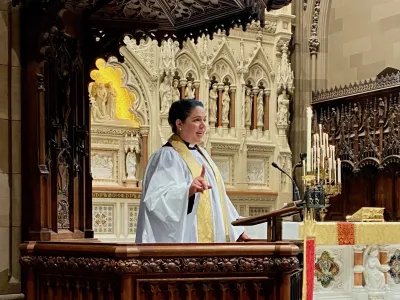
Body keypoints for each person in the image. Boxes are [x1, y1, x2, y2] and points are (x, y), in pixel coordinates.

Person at [135, 99, 251, 243]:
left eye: (205, 120)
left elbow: (218, 197)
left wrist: (237, 230)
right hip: (188, 242)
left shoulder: (202, 155)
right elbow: (155, 202)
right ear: (179, 124)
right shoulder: (167, 157)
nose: (203, 126)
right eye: (196, 120)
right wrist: (187, 191)